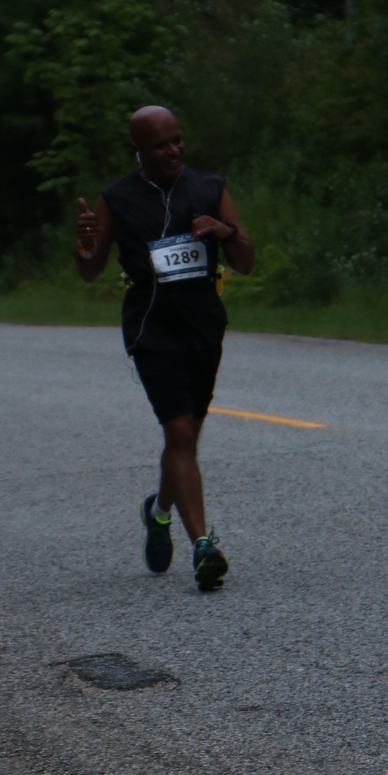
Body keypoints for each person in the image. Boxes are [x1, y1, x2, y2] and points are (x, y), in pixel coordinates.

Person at [75, 106, 255, 590]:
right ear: (139, 150)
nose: (173, 149)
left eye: (177, 140)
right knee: (178, 431)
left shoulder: (209, 188)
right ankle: (203, 547)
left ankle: (157, 511)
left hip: (203, 329)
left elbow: (246, 262)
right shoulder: (117, 198)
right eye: (161, 145)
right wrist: (85, 245)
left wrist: (226, 232)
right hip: (152, 332)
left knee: (186, 439)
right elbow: (90, 270)